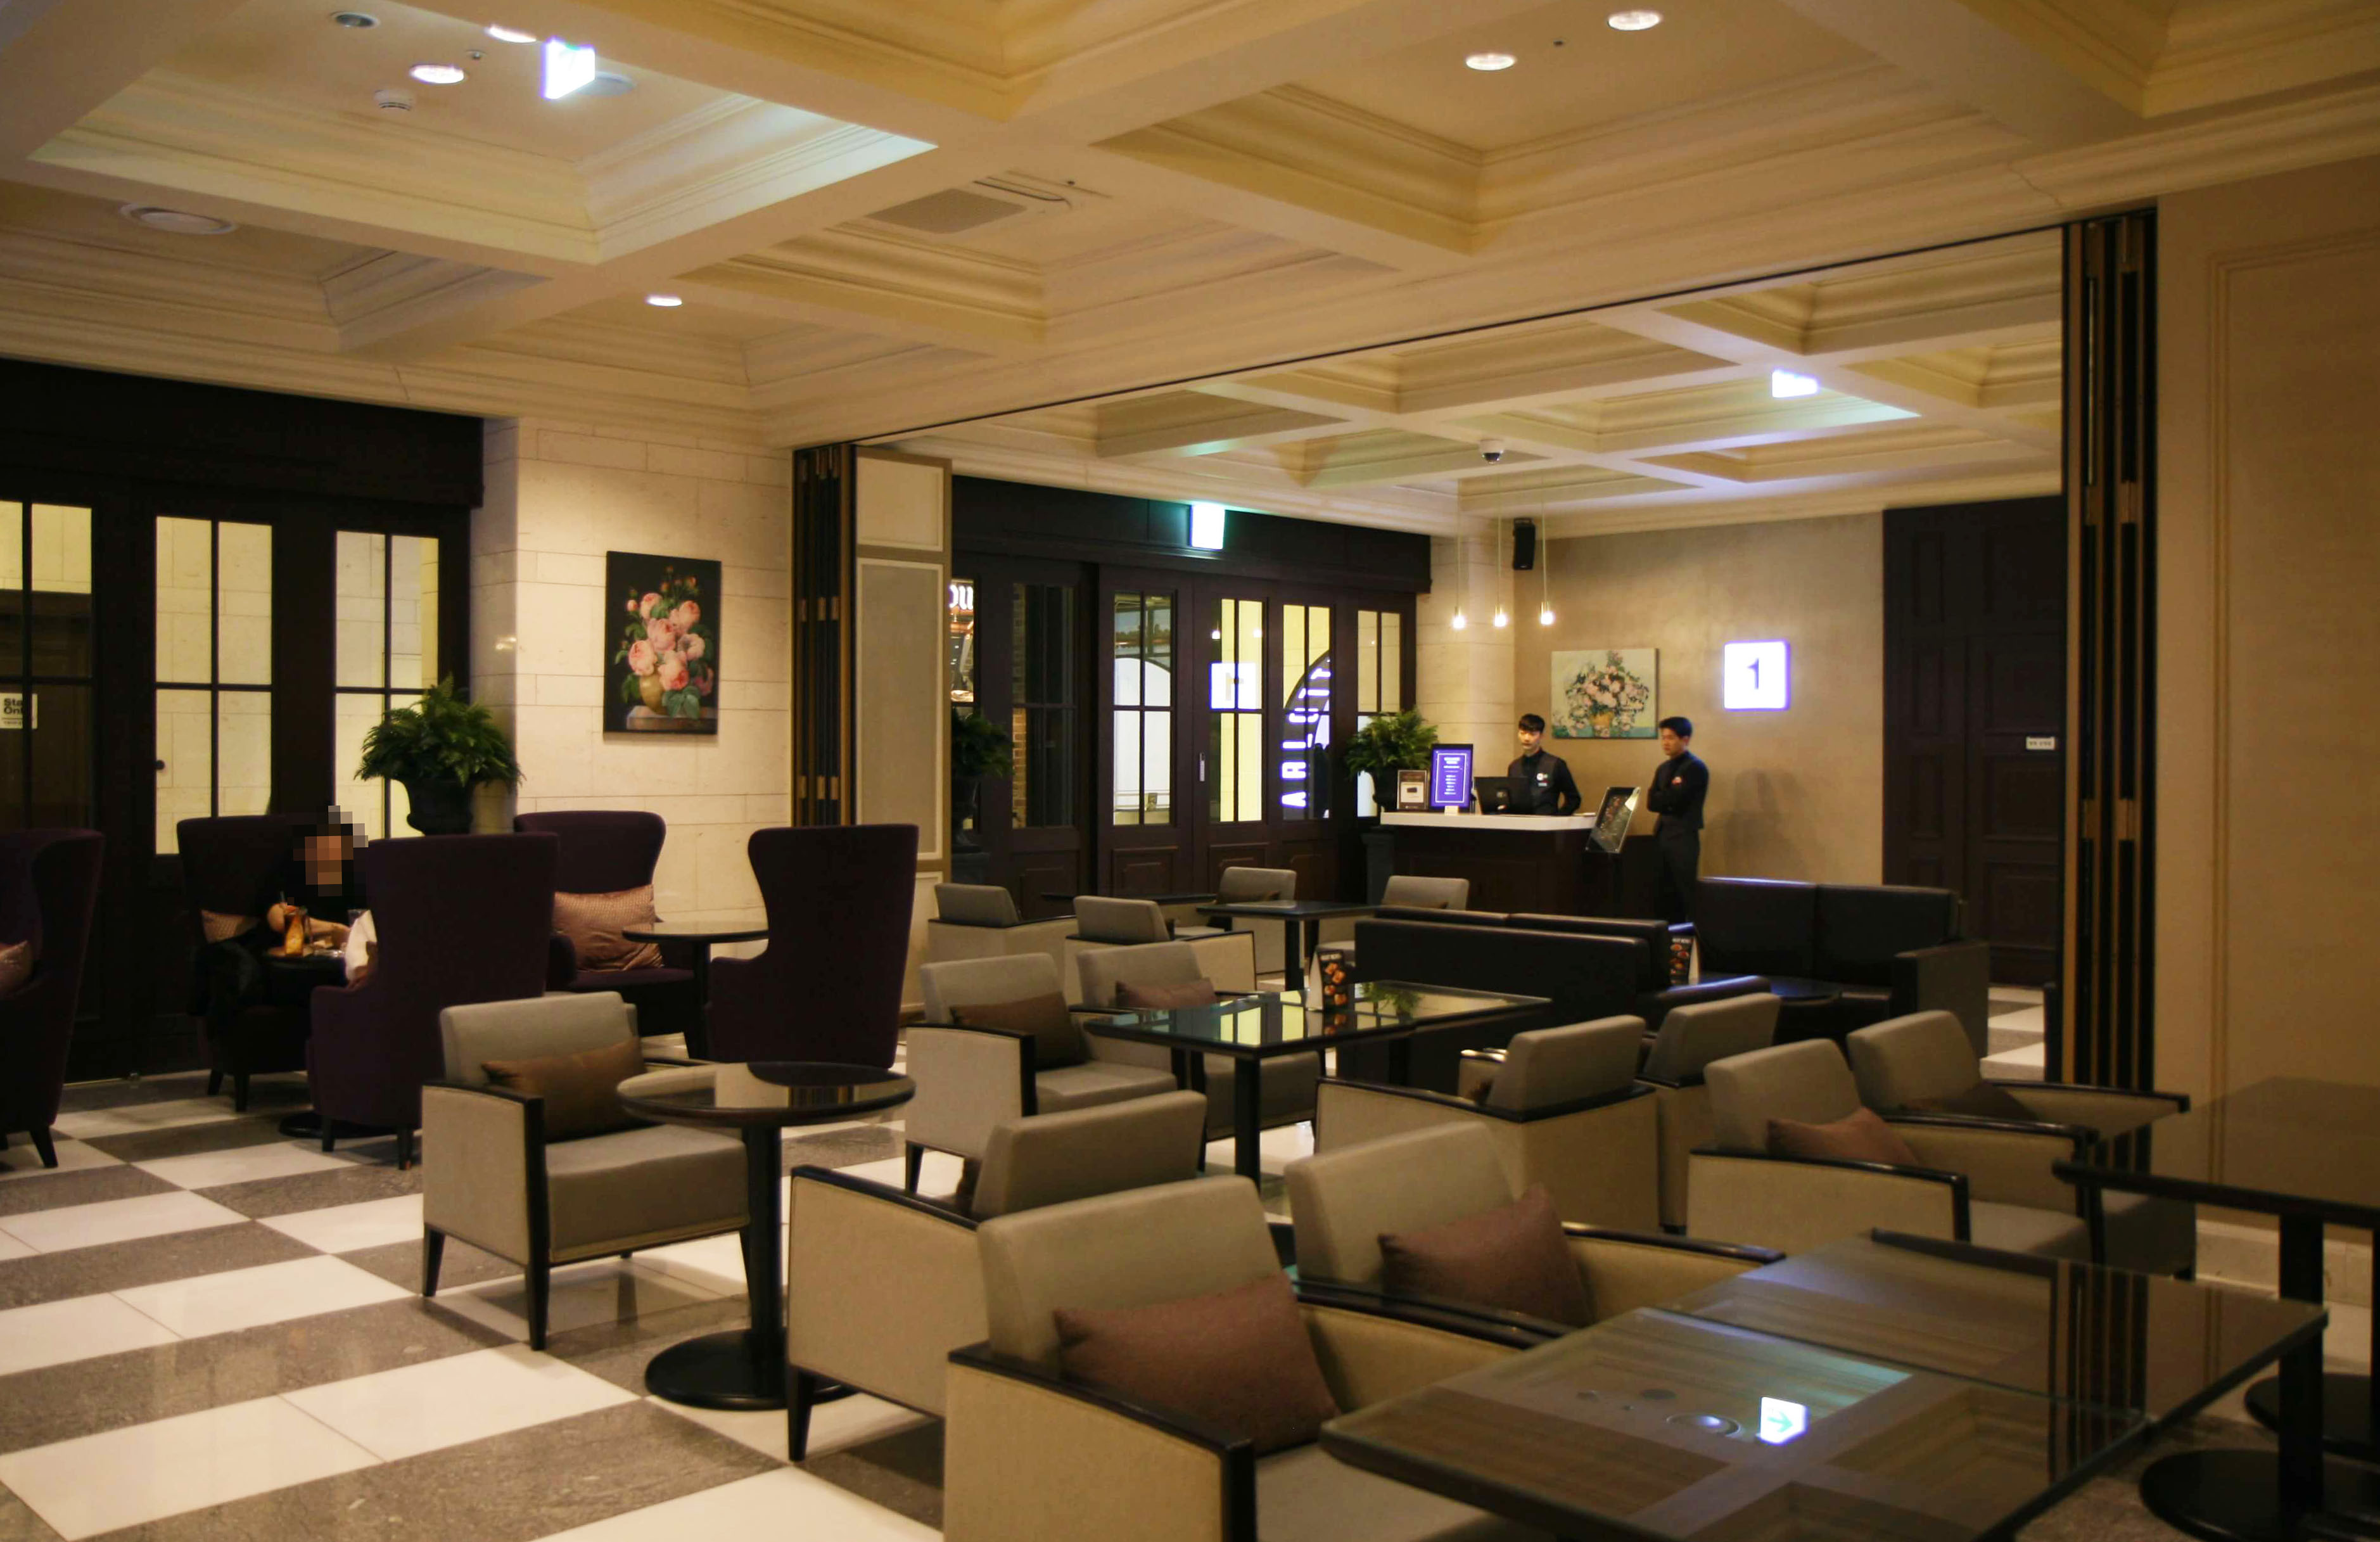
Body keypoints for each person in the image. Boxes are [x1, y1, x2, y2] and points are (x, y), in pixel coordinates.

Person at [1646, 717, 1707, 921]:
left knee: (1683, 890)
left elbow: (1678, 801)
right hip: (1662, 834)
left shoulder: (1695, 768)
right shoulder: (1663, 768)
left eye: (1671, 738)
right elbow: (1652, 803)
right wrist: (1667, 797)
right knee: (1661, 890)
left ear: (1685, 739)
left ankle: (1687, 934)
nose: (1666, 742)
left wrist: (1665, 798)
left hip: (1683, 837)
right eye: (1663, 738)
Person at [1507, 713, 1581, 816]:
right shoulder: (1514, 767)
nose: (1527, 738)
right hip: (1519, 822)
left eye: (1532, 734)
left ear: (1541, 736)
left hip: (1547, 822)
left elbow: (1574, 799)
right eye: (1523, 733)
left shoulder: (1556, 764)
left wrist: (1558, 818)